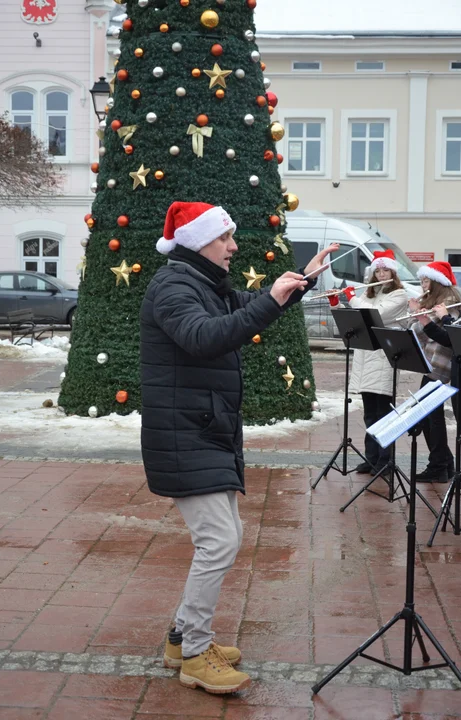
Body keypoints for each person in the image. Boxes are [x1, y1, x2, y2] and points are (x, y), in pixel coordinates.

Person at [139, 201, 338, 695]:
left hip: (205, 430)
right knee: (219, 541)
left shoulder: (202, 283)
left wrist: (295, 287)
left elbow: (239, 310)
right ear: (200, 241)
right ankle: (195, 654)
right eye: (226, 238)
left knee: (225, 535)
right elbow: (204, 337)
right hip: (186, 433)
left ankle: (180, 638)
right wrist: (269, 300)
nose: (233, 247)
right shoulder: (172, 286)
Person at [328, 250, 408, 475]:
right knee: (370, 413)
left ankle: (386, 460)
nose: (382, 274)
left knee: (384, 412)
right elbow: (356, 318)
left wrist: (352, 297)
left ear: (392, 271)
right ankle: (371, 458)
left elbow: (375, 315)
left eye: (385, 270)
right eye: (378, 270)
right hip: (366, 358)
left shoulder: (399, 295)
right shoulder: (369, 294)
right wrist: (337, 303)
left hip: (384, 357)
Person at [407, 261, 461, 483]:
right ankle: (443, 463)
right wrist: (414, 313)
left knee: (430, 414)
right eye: (421, 281)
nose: (423, 285)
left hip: (442, 363)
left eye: (426, 280)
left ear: (438, 282)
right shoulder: (433, 302)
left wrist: (422, 318)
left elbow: (447, 337)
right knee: (428, 413)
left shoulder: (449, 303)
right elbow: (417, 332)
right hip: (430, 362)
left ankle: (440, 464)